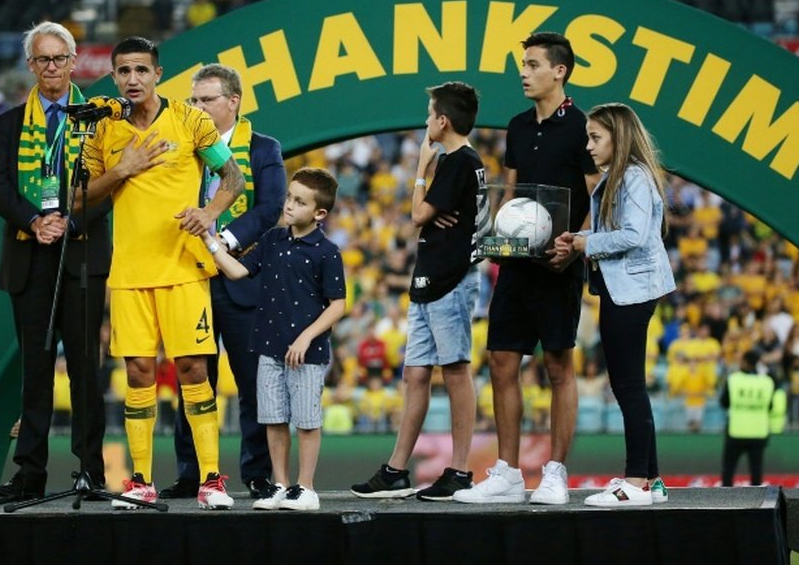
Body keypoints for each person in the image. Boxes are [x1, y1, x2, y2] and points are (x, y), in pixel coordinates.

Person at [80, 36, 245, 510]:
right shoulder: (104, 132)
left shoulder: (190, 120)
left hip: (183, 266)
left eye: (141, 70)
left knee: (194, 368)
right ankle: (140, 482)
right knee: (138, 373)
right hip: (130, 272)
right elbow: (79, 197)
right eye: (124, 71)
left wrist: (210, 212)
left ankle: (211, 480)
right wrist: (121, 170)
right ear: (114, 77)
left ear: (157, 74)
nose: (133, 79)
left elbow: (231, 176)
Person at [456, 32, 599, 506]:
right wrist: (493, 234)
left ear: (560, 71)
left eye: (533, 64)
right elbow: (512, 193)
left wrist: (575, 245)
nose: (523, 71)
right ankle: (508, 473)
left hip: (559, 264)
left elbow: (597, 195)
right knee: (500, 360)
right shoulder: (517, 126)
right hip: (517, 263)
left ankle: (556, 472)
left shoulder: (583, 127)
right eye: (523, 63)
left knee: (558, 365)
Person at [0, 21, 110, 501]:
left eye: (60, 58)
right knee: (35, 371)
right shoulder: (9, 122)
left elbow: (109, 185)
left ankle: (90, 472)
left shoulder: (97, 117)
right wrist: (36, 220)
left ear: (74, 61)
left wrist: (70, 223)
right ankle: (29, 474)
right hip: (29, 255)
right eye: (43, 59)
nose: (52, 67)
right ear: (30, 65)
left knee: (84, 370)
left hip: (80, 256)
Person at [352, 81, 489, 501]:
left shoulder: (458, 162)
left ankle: (461, 469)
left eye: (430, 114)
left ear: (442, 120)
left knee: (455, 371)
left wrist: (420, 172)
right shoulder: (460, 162)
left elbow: (416, 215)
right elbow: (429, 218)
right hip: (429, 278)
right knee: (415, 375)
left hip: (450, 279)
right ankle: (396, 470)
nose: (426, 121)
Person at [159, 63, 286, 501]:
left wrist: (224, 241)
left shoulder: (264, 148)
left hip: (242, 279)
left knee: (253, 383)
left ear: (233, 102)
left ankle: (257, 472)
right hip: (188, 276)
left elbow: (270, 208)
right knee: (193, 379)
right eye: (192, 100)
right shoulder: (182, 149)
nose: (196, 107)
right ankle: (191, 473)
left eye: (205, 99)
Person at [198, 167, 346, 510]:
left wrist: (306, 338)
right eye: (289, 197)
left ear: (320, 213)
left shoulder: (327, 251)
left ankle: (305, 487)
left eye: (299, 201)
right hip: (269, 348)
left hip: (306, 353)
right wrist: (208, 240)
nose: (289, 205)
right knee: (274, 419)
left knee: (307, 421)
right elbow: (237, 271)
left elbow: (337, 305)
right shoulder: (271, 240)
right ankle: (280, 485)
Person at [553, 102, 676, 507]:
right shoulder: (622, 177)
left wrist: (589, 243)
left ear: (618, 138)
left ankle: (636, 481)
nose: (588, 145)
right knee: (629, 385)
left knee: (628, 386)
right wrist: (579, 237)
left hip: (632, 290)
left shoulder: (633, 177)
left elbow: (634, 235)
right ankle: (653, 481)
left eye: (595, 137)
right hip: (625, 288)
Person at [720, 349, 780, 487]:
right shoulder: (766, 382)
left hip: (736, 432)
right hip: (758, 433)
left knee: (728, 469)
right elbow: (769, 406)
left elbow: (724, 403)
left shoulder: (734, 379)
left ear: (745, 362)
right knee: (756, 471)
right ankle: (758, 505)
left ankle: (724, 502)